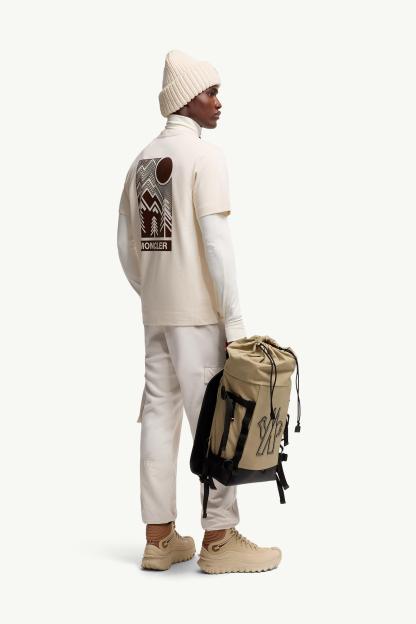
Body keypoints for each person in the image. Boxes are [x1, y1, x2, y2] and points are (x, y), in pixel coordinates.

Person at [117, 49, 282, 573]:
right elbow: (217, 244)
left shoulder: (142, 161)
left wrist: (153, 290)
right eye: (210, 92)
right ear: (187, 99)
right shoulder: (205, 159)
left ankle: (159, 537)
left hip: (157, 314)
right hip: (199, 315)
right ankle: (218, 538)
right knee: (217, 422)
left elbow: (125, 245)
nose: (218, 102)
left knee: (158, 417)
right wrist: (234, 321)